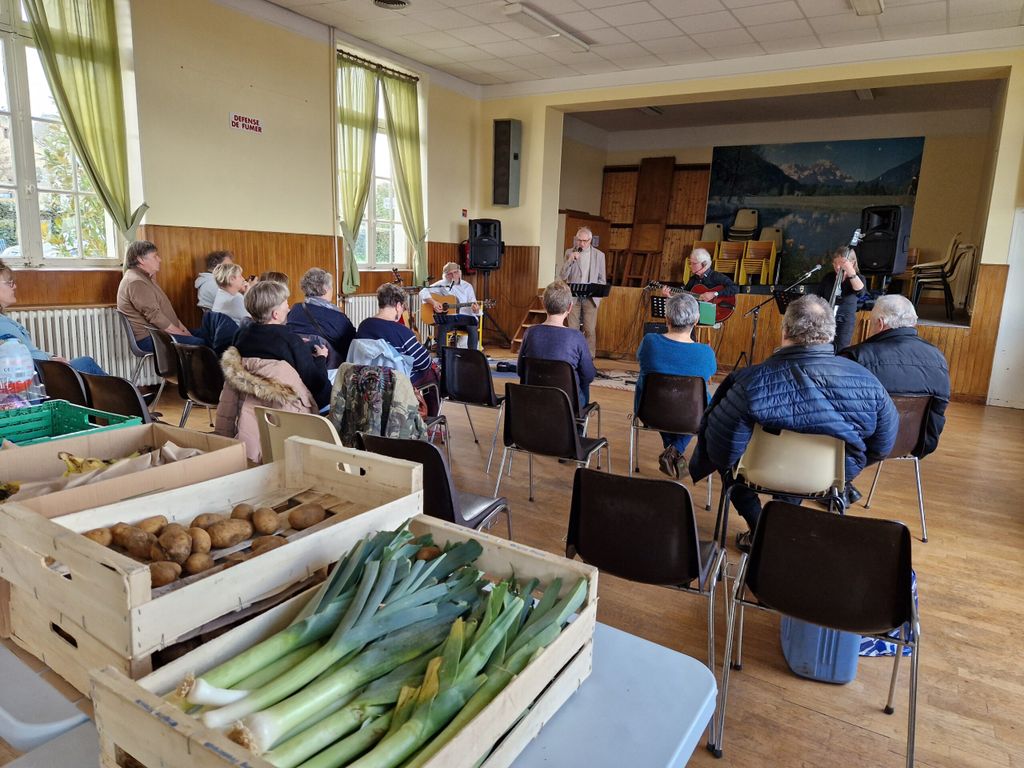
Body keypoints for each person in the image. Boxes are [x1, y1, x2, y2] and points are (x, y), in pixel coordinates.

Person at [689, 294, 898, 551]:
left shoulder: (747, 381)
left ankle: (761, 528)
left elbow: (721, 446)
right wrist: (846, 469)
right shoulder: (869, 383)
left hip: (757, 471)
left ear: (785, 330)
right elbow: (882, 445)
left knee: (728, 467)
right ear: (831, 333)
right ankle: (782, 527)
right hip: (825, 478)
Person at [841, 293, 950, 457]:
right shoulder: (937, 357)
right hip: (913, 443)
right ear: (913, 321)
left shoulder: (856, 357)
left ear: (880, 323)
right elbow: (938, 408)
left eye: (872, 323)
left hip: (863, 446)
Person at [635, 293, 717, 479]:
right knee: (699, 400)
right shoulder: (705, 353)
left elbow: (639, 359)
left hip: (650, 412)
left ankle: (671, 449)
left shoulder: (650, 342)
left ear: (667, 318)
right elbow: (711, 371)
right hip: (692, 416)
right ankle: (675, 449)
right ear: (696, 320)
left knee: (662, 396)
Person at [231, 280, 332, 410]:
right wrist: (321, 358)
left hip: (249, 408)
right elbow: (318, 388)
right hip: (288, 411)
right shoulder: (291, 342)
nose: (289, 308)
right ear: (276, 314)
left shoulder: (240, 336)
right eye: (286, 303)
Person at [0, 260, 106, 375]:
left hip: (38, 371)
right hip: (38, 376)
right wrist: (50, 359)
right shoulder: (2, 324)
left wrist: (51, 357)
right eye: (9, 283)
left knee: (85, 364)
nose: (14, 286)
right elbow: (24, 357)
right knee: (86, 363)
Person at [354, 282, 439, 415]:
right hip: (396, 381)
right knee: (432, 371)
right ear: (398, 305)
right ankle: (431, 420)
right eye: (402, 307)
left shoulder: (364, 326)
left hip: (368, 379)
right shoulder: (402, 332)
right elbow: (423, 363)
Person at [117, 240, 208, 351]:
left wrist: (185, 331)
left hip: (160, 333)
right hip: (149, 338)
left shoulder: (145, 278)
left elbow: (167, 312)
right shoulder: (136, 282)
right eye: (155, 256)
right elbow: (155, 317)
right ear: (140, 259)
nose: (159, 259)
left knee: (209, 335)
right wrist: (183, 335)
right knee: (199, 343)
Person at [517, 280, 595, 407]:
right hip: (566, 403)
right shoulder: (577, 337)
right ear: (569, 307)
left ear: (543, 304)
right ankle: (577, 424)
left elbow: (520, 371)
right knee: (583, 383)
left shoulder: (530, 333)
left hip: (533, 399)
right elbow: (589, 376)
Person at [287, 268, 355, 368]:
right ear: (325, 288)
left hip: (296, 365)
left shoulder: (295, 309)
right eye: (331, 286)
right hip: (329, 369)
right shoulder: (336, 316)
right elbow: (351, 344)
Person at [559, 226, 606, 358]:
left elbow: (602, 278)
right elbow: (563, 276)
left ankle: (589, 357)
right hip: (573, 297)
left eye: (585, 241)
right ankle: (571, 355)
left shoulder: (599, 255)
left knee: (589, 329)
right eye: (579, 240)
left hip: (591, 297)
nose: (582, 244)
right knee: (573, 329)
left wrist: (598, 296)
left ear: (590, 240)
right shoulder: (569, 252)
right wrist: (570, 260)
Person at [419, 261, 480, 351]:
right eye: (449, 274)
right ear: (445, 276)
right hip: (449, 318)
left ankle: (472, 356)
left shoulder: (467, 286)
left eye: (455, 272)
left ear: (459, 273)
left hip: (465, 318)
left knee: (472, 327)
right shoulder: (442, 284)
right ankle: (441, 358)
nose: (453, 276)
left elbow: (474, 304)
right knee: (442, 328)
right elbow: (423, 291)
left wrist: (476, 310)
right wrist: (434, 303)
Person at [817, 244, 865, 352]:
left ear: (852, 263)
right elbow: (819, 297)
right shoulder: (828, 277)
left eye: (841, 264)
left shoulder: (858, 278)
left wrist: (851, 273)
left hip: (844, 322)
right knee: (822, 347)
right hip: (826, 319)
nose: (838, 267)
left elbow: (860, 292)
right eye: (835, 264)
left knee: (840, 350)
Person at [662, 248, 739, 303]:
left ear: (704, 264)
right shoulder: (693, 279)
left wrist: (714, 294)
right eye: (690, 263)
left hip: (714, 311)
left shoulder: (716, 276)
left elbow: (735, 288)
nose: (690, 266)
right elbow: (685, 296)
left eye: (694, 263)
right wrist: (670, 296)